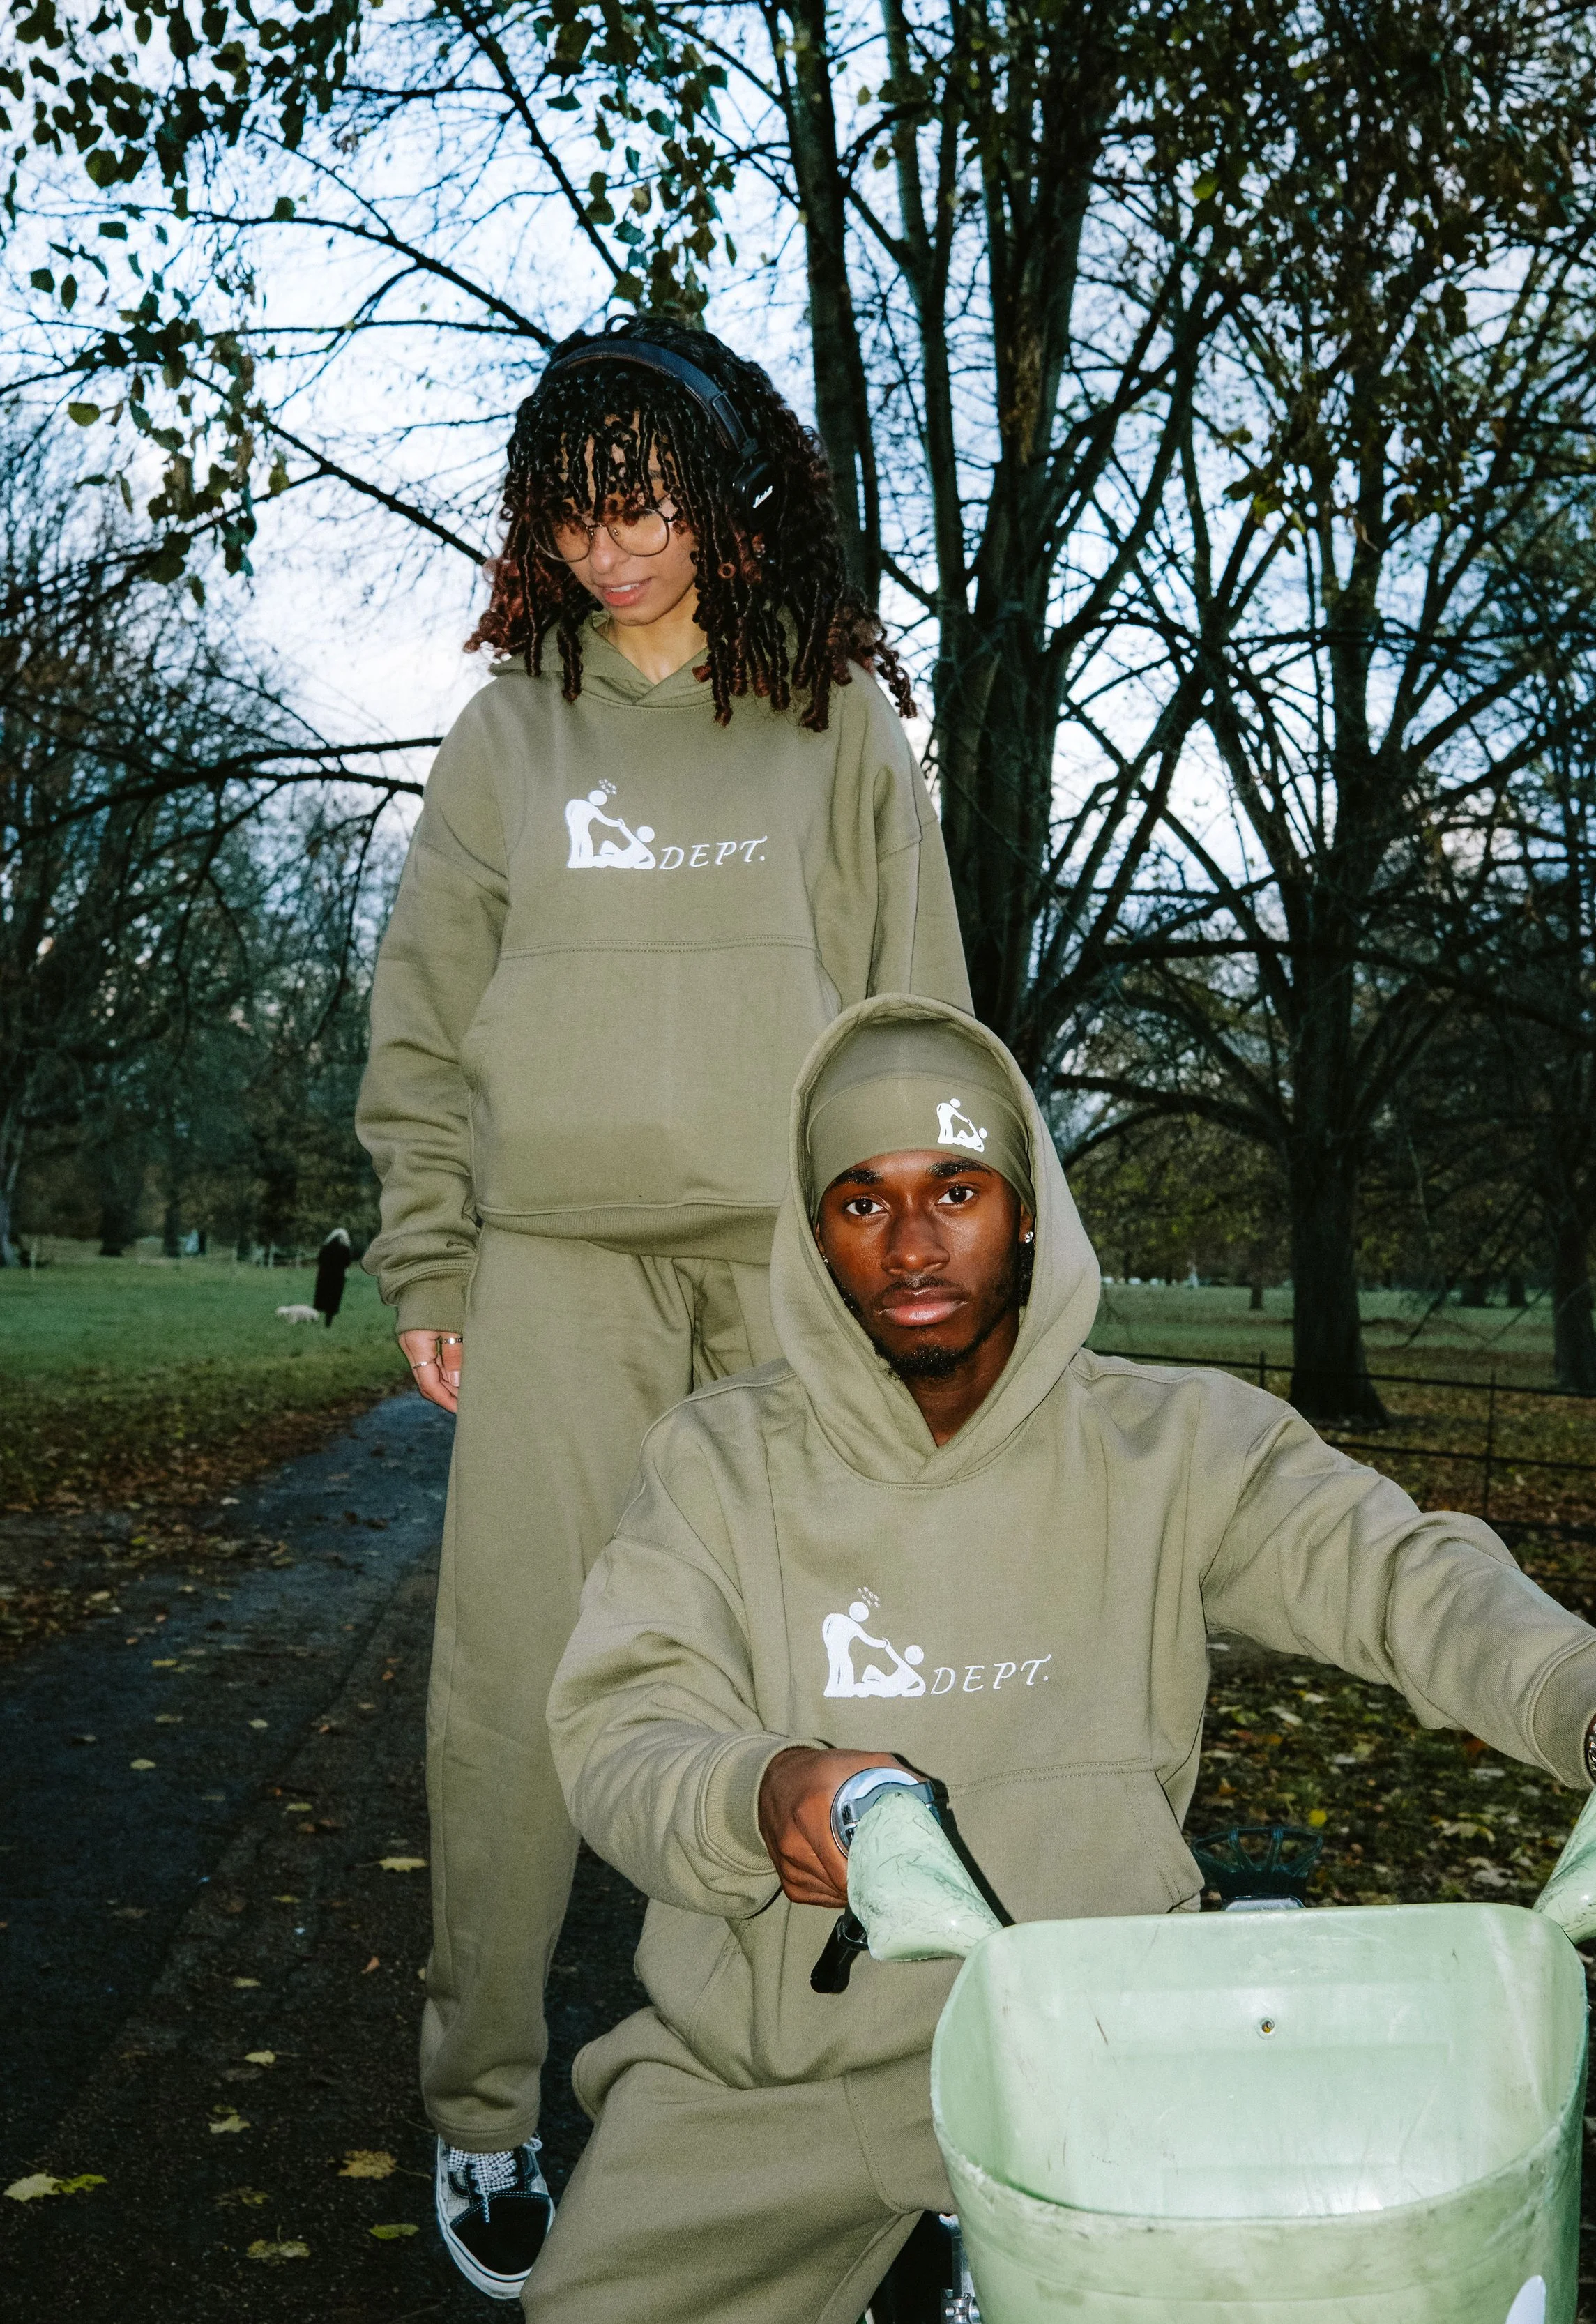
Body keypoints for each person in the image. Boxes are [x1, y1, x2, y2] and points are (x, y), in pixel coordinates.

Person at [533, 994, 1596, 2324]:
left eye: (959, 1185)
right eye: (863, 1202)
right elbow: (624, 1722)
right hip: (766, 2079)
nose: (917, 1240)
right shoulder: (714, 1462)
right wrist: (761, 1792)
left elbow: (1404, 1574)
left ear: (1030, 1205)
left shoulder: (1183, 1443)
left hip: (1104, 2059)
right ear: (814, 1236)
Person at [355, 324, 971, 2300]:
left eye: (643, 497)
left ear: (721, 495)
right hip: (555, 1270)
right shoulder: (506, 731)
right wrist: (431, 1252)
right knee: (522, 1690)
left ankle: (848, 2112)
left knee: (838, 1689)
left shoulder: (835, 723)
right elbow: (426, 1021)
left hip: (790, 1275)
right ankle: (481, 2106)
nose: (609, 541)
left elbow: (920, 1015)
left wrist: (929, 1285)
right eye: (572, 502)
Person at [312, 1227, 353, 1327]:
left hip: (324, 1277)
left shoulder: (325, 1247)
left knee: (322, 1299)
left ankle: (314, 1319)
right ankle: (328, 1323)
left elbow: (320, 1260)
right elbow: (347, 1263)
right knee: (332, 1302)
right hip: (337, 1279)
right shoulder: (344, 1248)